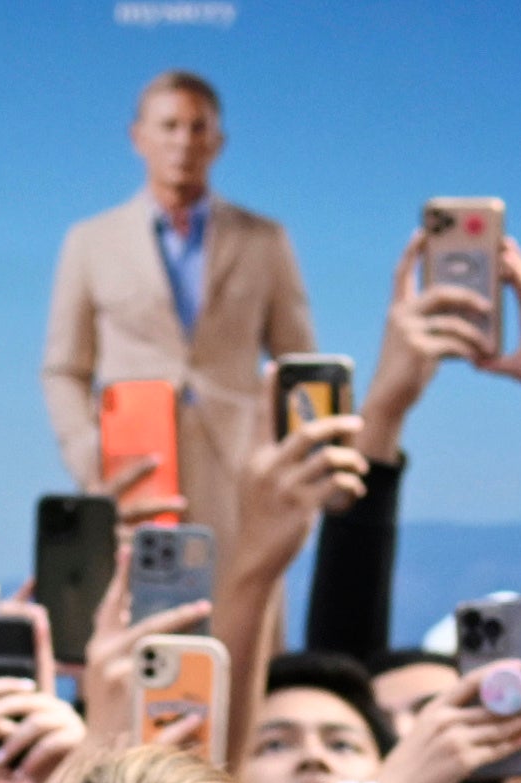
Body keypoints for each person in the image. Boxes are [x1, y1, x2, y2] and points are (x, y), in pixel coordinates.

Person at [40, 69, 312, 541]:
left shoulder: (265, 240)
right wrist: (90, 456)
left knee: (242, 608)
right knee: (138, 610)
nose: (183, 141)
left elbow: (300, 366)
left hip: (240, 471)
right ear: (138, 137)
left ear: (218, 141)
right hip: (133, 473)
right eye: (169, 126)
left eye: (197, 127)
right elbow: (63, 368)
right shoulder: (91, 242)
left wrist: (294, 466)